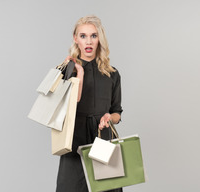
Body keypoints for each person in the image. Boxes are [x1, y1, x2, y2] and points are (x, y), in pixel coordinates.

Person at [56, 15, 123, 192]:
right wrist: (80, 74)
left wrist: (110, 117)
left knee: (107, 188)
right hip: (75, 137)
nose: (89, 41)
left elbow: (117, 112)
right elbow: (68, 106)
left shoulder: (112, 74)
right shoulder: (66, 70)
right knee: (72, 187)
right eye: (83, 35)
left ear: (99, 39)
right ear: (75, 38)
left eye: (93, 35)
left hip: (103, 136)